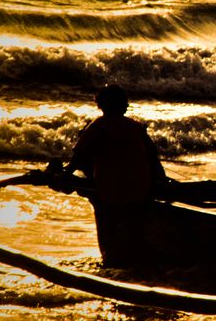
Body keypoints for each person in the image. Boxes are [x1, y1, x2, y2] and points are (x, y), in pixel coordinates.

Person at [65, 84, 167, 267]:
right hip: (140, 192)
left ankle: (109, 258)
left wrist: (65, 174)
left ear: (101, 105)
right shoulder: (137, 127)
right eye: (126, 102)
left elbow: (78, 159)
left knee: (105, 221)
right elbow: (154, 161)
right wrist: (161, 181)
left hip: (109, 193)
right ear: (123, 106)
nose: (128, 105)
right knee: (133, 224)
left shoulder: (97, 126)